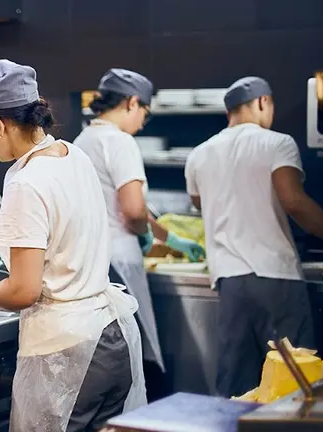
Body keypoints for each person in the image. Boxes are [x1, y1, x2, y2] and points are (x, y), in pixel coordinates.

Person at [0, 59, 146, 431]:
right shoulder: (73, 155)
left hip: (68, 354)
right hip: (111, 335)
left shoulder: (26, 180)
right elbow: (65, 233)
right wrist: (2, 248)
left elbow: (24, 291)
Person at [185, 76, 323, 398]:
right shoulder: (276, 142)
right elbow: (293, 201)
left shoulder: (199, 154)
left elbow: (199, 203)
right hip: (275, 278)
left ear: (229, 112)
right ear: (263, 102)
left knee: (237, 386)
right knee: (293, 379)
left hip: (230, 282)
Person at [73, 69, 206, 380]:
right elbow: (133, 211)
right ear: (132, 103)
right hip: (120, 260)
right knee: (133, 350)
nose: (143, 122)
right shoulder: (120, 142)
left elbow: (118, 205)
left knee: (105, 353)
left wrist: (168, 238)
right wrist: (143, 234)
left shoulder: (82, 140)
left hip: (90, 259)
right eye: (145, 112)